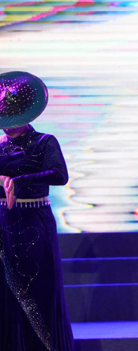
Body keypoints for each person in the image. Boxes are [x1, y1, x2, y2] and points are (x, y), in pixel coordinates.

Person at [0, 71, 75, 350]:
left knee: (40, 288)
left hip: (35, 220)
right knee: (8, 292)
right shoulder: (0, 148)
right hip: (4, 223)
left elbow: (60, 175)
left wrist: (19, 181)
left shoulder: (45, 142)